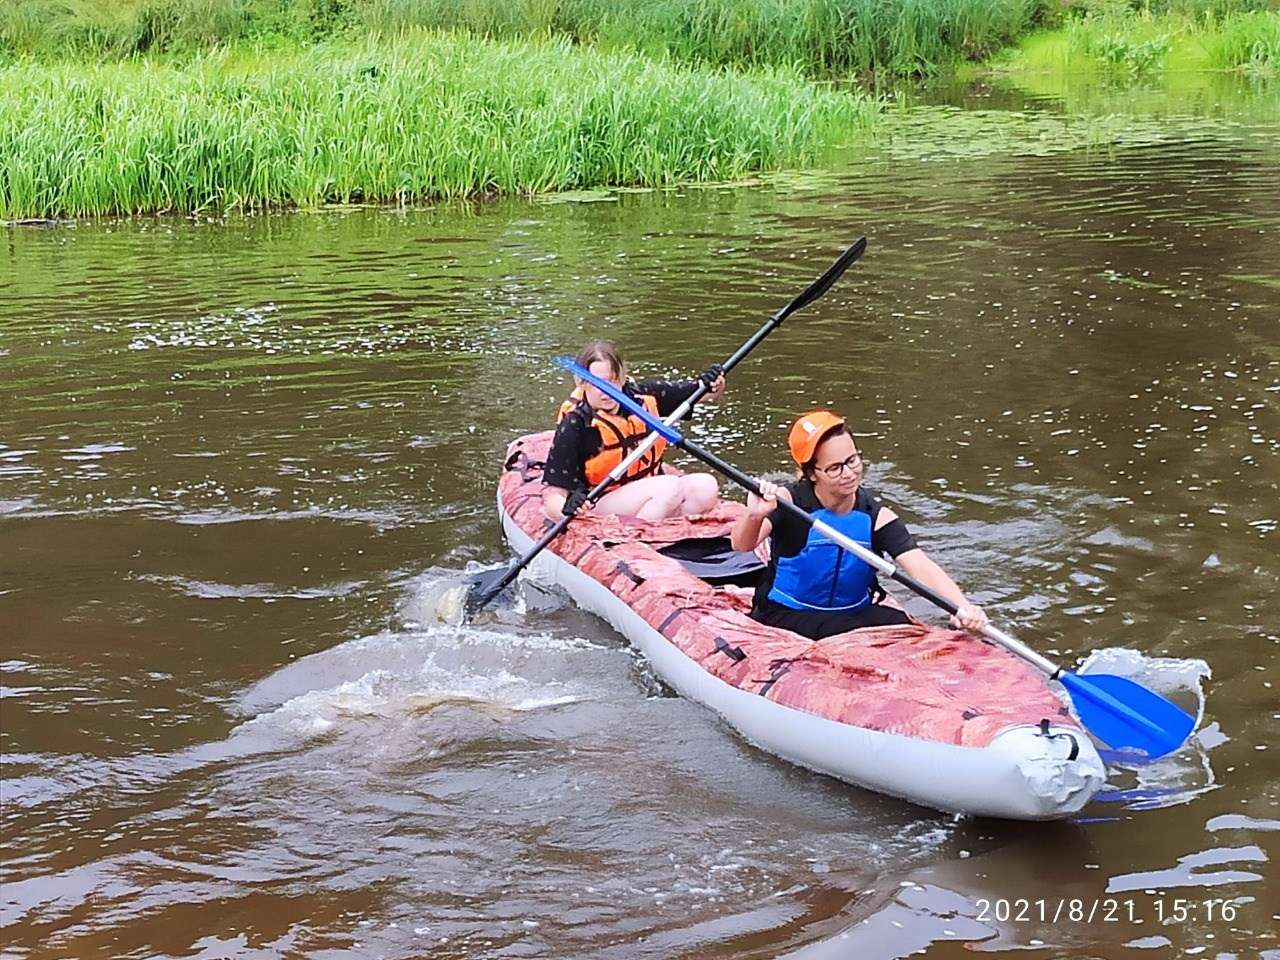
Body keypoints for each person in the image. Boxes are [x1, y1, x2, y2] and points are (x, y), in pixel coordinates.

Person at [729, 410, 989, 641]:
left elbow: (921, 566)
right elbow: (741, 545)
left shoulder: (875, 515)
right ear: (811, 474)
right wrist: (755, 516)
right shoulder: (789, 503)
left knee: (902, 625)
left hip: (853, 612)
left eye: (852, 460)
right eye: (835, 468)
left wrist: (962, 607)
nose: (849, 473)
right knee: (844, 629)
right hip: (788, 613)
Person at [542, 339, 726, 522]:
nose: (606, 391)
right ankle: (634, 535)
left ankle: (662, 527)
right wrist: (567, 508)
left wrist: (713, 383)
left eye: (612, 381)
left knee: (705, 487)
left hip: (647, 491)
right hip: (601, 502)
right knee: (669, 487)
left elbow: (705, 392)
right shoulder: (575, 424)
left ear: (622, 377)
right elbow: (553, 497)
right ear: (582, 383)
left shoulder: (641, 396)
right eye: (597, 383)